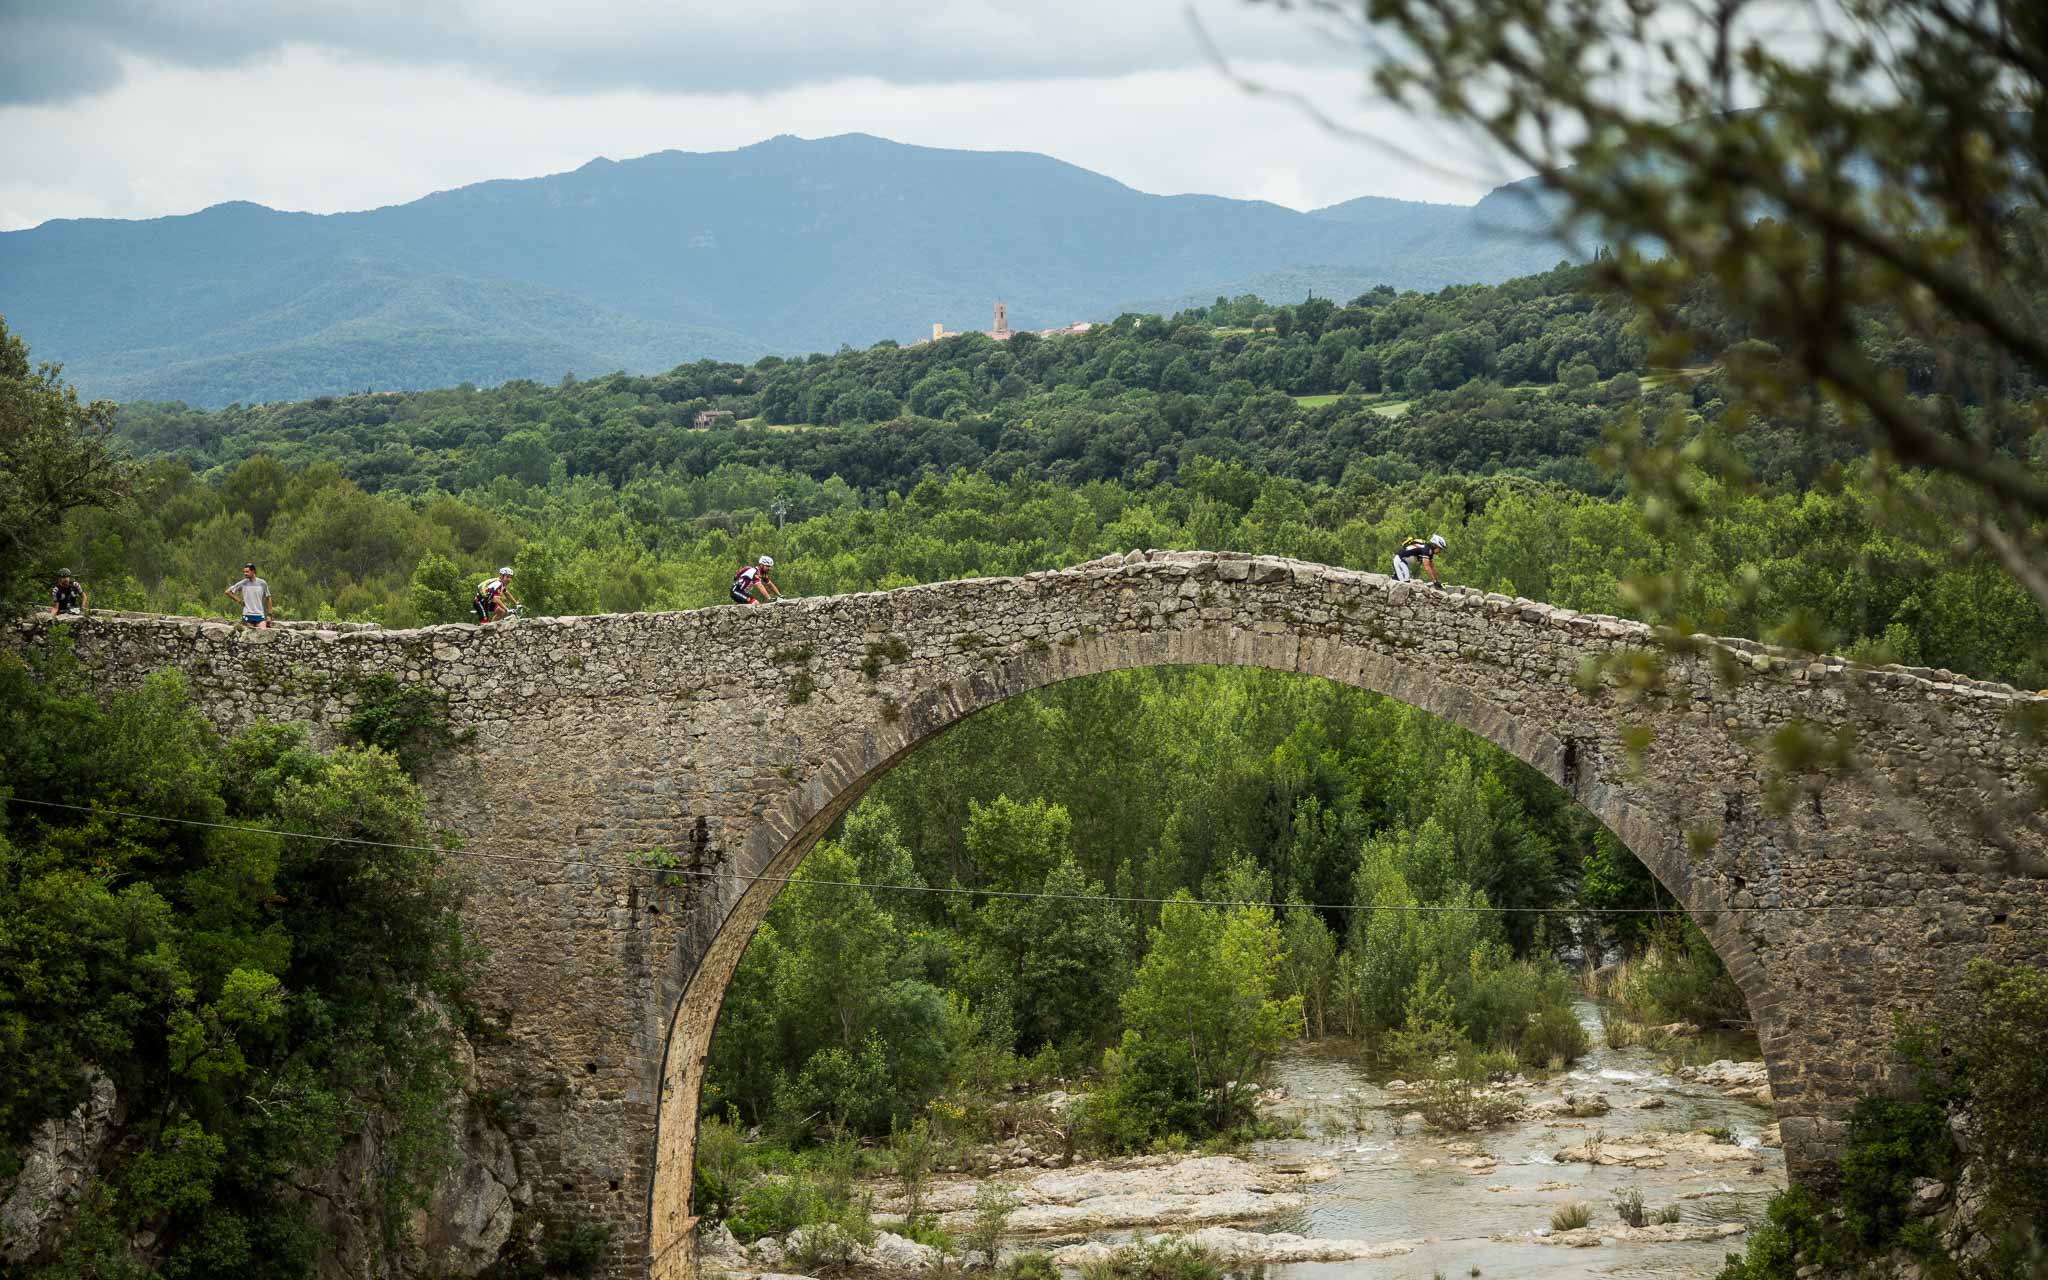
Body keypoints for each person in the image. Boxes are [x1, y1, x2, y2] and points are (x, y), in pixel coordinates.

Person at [224, 563, 275, 627]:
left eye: (247, 572)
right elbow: (228, 592)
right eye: (244, 572)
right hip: (247, 614)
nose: (245, 573)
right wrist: (240, 601)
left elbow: (268, 598)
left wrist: (269, 615)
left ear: (253, 571)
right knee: (249, 634)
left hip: (259, 614)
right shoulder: (243, 583)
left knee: (262, 632)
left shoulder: (262, 583)